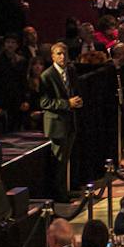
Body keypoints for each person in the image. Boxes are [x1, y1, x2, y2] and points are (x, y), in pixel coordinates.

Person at [39, 41, 83, 195]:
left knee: (68, 158)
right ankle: (59, 193)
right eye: (58, 53)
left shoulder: (71, 71)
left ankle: (68, 188)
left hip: (71, 121)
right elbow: (44, 102)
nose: (62, 56)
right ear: (52, 56)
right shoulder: (47, 75)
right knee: (59, 161)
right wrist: (67, 103)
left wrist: (77, 101)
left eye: (64, 53)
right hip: (57, 123)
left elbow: (75, 90)